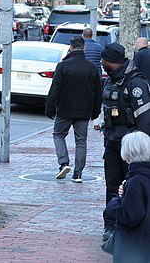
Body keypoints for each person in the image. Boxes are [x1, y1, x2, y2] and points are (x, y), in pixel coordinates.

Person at [99, 43, 150, 244]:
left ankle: (131, 225)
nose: (101, 63)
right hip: (112, 144)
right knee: (112, 185)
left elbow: (145, 120)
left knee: (131, 186)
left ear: (110, 61)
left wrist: (138, 150)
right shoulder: (110, 81)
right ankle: (111, 226)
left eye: (103, 60)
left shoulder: (135, 84)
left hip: (131, 148)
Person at [45, 37, 102, 183]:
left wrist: (50, 107)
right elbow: (98, 92)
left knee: (58, 134)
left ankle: (64, 163)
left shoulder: (63, 66)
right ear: (84, 49)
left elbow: (55, 89)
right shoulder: (92, 68)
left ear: (70, 48)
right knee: (81, 141)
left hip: (65, 109)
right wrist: (95, 112)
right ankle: (78, 174)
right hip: (84, 111)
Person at [105, 131, 150, 263]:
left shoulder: (137, 181)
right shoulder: (141, 178)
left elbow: (129, 216)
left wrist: (114, 203)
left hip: (134, 246)